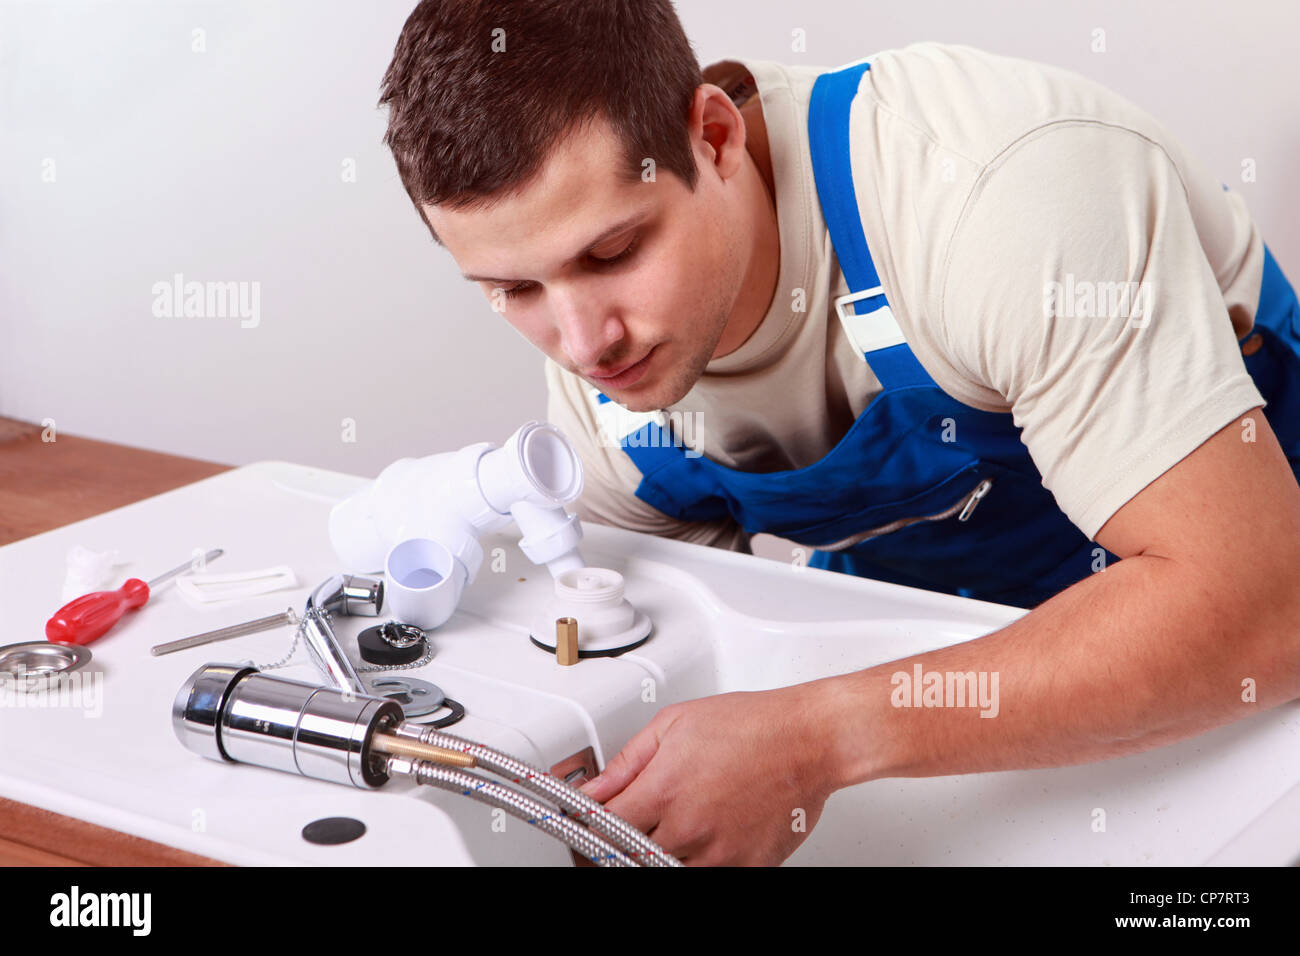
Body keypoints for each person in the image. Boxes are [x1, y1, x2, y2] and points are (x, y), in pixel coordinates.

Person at [378, 0, 1300, 865]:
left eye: (613, 253)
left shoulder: (993, 198)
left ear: (714, 137)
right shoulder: (608, 409)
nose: (583, 344)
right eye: (515, 289)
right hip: (933, 634)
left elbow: (1260, 608)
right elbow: (661, 655)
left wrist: (820, 736)